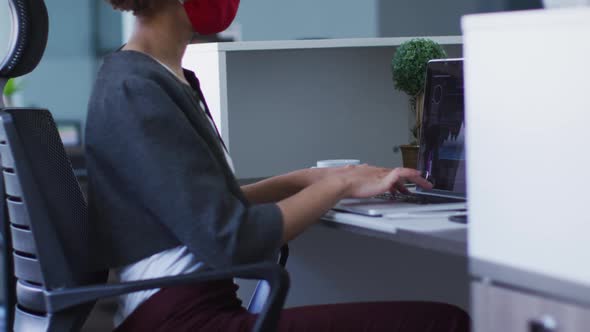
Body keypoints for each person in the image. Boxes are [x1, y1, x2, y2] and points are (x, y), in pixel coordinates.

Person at [85, 0, 470, 331]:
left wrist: (311, 178)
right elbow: (233, 239)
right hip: (183, 319)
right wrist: (337, 188)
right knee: (444, 323)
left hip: (188, 308)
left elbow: (207, 208)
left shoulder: (155, 77)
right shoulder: (137, 90)